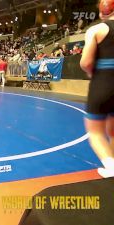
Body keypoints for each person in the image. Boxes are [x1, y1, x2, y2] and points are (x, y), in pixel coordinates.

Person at [80, 0, 114, 178]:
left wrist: (91, 72)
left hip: (103, 82)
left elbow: (85, 62)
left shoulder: (96, 30)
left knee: (96, 132)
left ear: (102, 12)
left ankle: (112, 167)